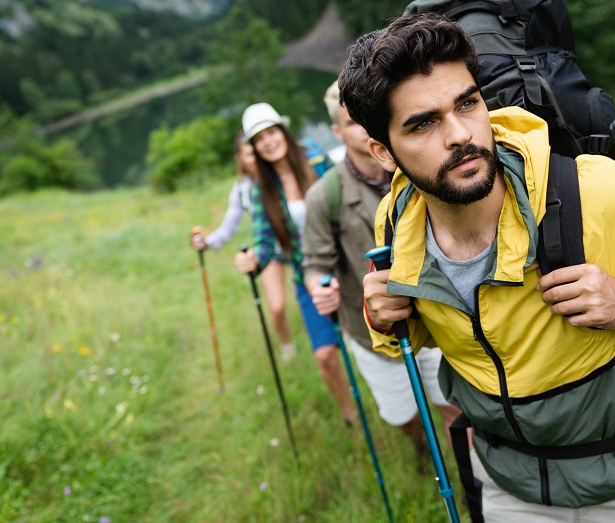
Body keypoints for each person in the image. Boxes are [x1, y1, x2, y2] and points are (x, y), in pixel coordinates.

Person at [340, 13, 615, 522]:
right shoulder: (396, 223)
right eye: (423, 123)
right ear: (382, 152)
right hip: (508, 484)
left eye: (467, 103)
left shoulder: (599, 192)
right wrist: (383, 317)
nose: (461, 134)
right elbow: (429, 329)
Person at [301, 80, 462, 458]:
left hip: (438, 320)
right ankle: (420, 446)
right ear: (336, 132)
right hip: (373, 336)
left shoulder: (421, 166)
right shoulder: (325, 196)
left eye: (369, 118)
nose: (364, 127)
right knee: (401, 414)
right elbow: (315, 264)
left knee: (454, 406)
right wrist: (318, 287)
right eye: (352, 122)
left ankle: (470, 477)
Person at [233, 102, 356, 425]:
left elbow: (345, 191)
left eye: (272, 132)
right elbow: (262, 237)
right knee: (325, 355)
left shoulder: (314, 155)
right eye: (259, 139)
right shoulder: (263, 187)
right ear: (254, 148)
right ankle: (350, 414)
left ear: (283, 132)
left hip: (347, 263)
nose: (268, 142)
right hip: (308, 275)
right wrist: (253, 260)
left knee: (373, 343)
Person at [190, 131, 296, 362]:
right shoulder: (241, 190)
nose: (255, 157)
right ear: (240, 158)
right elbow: (229, 225)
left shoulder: (284, 173)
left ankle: (345, 334)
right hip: (270, 250)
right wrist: (207, 242)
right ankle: (287, 345)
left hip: (298, 243)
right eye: (249, 154)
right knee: (276, 306)